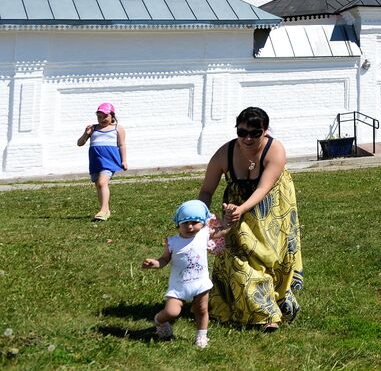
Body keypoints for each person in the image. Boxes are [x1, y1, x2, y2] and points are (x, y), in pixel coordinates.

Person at [196, 106, 303, 331]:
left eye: (255, 133)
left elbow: (264, 187)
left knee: (270, 255)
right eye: (242, 132)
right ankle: (265, 314)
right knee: (239, 253)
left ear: (265, 131)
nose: (247, 138)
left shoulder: (275, 150)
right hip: (236, 207)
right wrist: (200, 216)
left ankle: (275, 299)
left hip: (273, 204)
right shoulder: (224, 153)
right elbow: (206, 190)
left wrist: (242, 208)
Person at [142, 199, 229, 349]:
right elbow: (164, 259)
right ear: (178, 224)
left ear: (202, 223)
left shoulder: (204, 235)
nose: (190, 226)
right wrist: (155, 264)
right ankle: (159, 320)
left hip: (200, 283)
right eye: (185, 223)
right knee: (172, 311)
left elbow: (223, 230)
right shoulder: (172, 242)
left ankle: (202, 335)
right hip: (179, 286)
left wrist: (229, 219)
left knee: (202, 310)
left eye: (195, 222)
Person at [76, 102, 125, 221]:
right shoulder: (93, 128)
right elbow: (80, 143)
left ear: (112, 116)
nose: (102, 119)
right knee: (98, 185)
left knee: (103, 182)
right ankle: (106, 210)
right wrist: (86, 134)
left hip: (110, 160)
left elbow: (122, 145)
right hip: (96, 161)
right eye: (99, 116)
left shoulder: (117, 128)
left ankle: (103, 211)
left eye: (105, 116)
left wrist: (124, 161)